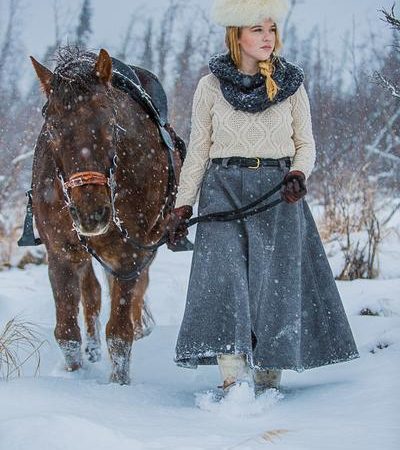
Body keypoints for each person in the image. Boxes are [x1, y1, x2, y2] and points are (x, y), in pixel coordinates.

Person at [166, 0, 360, 396]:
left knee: (274, 282)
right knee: (224, 281)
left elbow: (306, 145)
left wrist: (297, 175)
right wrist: (183, 205)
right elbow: (200, 150)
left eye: (271, 29)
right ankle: (232, 379)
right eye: (257, 29)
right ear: (236, 35)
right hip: (221, 189)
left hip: (277, 191)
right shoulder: (209, 86)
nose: (267, 37)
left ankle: (270, 373)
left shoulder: (291, 84)